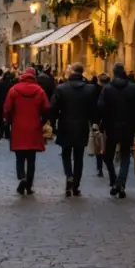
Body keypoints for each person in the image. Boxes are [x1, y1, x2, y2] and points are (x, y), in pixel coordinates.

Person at [97, 62, 135, 199]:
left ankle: (114, 180)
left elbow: (100, 107)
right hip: (128, 127)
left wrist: (103, 123)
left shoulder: (107, 89)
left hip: (111, 127)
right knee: (125, 155)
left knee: (108, 156)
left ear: (113, 73)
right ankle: (120, 182)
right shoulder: (134, 89)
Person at [50, 62, 98, 197]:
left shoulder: (61, 88)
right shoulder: (89, 90)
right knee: (79, 156)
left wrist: (52, 123)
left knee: (66, 153)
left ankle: (69, 175)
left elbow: (53, 108)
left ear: (71, 72)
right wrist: (94, 123)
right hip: (82, 126)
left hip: (65, 125)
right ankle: (76, 185)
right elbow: (93, 110)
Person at [4, 67, 49, 195]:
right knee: (31, 158)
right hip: (34, 126)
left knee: (19, 156)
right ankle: (29, 185)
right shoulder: (39, 91)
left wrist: (8, 122)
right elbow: (46, 107)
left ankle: (21, 177)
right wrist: (43, 121)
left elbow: (7, 109)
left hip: (18, 126)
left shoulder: (14, 90)